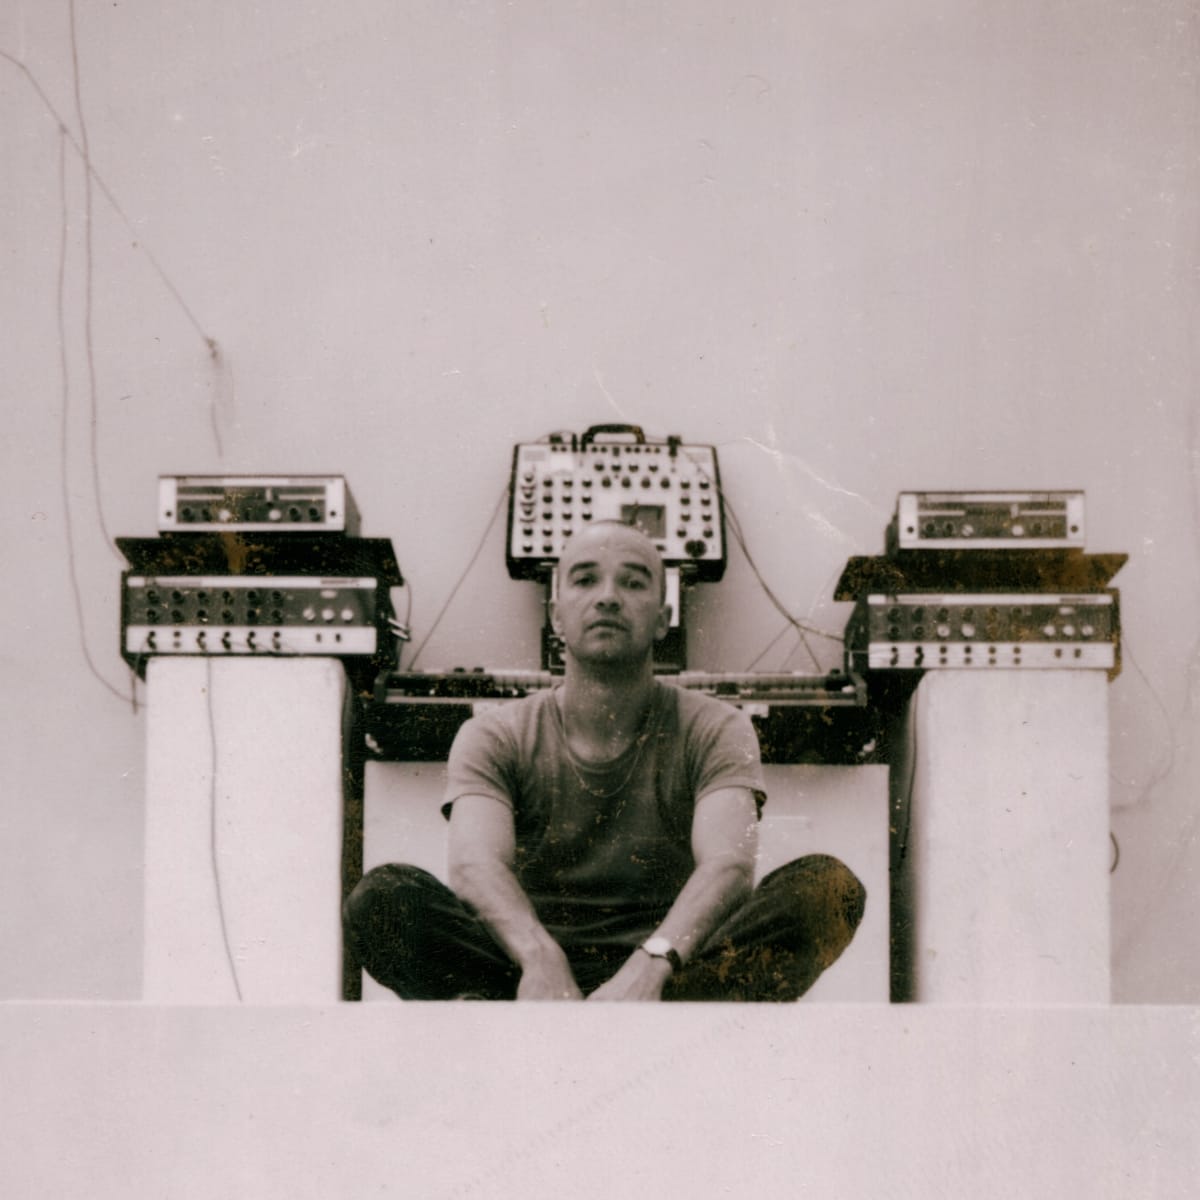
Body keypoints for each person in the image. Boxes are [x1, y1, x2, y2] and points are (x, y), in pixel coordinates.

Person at [344, 520, 865, 1001]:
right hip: (530, 977)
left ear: (664, 619)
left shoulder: (718, 727)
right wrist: (540, 958)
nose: (609, 598)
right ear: (557, 616)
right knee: (383, 899)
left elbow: (729, 866)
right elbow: (475, 866)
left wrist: (651, 966)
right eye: (586, 580)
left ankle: (644, 1028)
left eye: (634, 583)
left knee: (827, 890)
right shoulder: (492, 734)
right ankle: (544, 1021)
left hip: (671, 975)